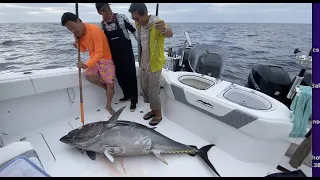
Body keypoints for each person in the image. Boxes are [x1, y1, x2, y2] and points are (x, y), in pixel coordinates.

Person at [61, 12, 116, 115]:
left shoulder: (94, 30)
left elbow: (99, 53)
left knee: (110, 84)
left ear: (78, 21)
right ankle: (107, 89)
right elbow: (83, 49)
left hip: (105, 58)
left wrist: (86, 65)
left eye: (73, 27)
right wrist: (77, 43)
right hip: (93, 58)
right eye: (69, 29)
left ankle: (108, 106)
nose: (72, 31)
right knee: (88, 75)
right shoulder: (77, 34)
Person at [128, 3, 173, 126]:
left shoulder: (157, 23)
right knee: (145, 88)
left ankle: (158, 115)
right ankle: (153, 110)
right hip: (143, 62)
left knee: (153, 91)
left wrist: (164, 29)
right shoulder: (139, 24)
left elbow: (169, 33)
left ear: (145, 13)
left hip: (154, 64)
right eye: (133, 18)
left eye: (137, 18)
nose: (136, 21)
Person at [95, 3, 139, 112]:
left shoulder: (121, 17)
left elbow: (133, 30)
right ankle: (126, 95)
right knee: (120, 77)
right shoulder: (101, 26)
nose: (108, 12)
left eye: (108, 8)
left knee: (131, 76)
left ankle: (134, 100)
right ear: (99, 12)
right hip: (114, 56)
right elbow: (98, 43)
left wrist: (141, 44)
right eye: (104, 10)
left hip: (127, 53)